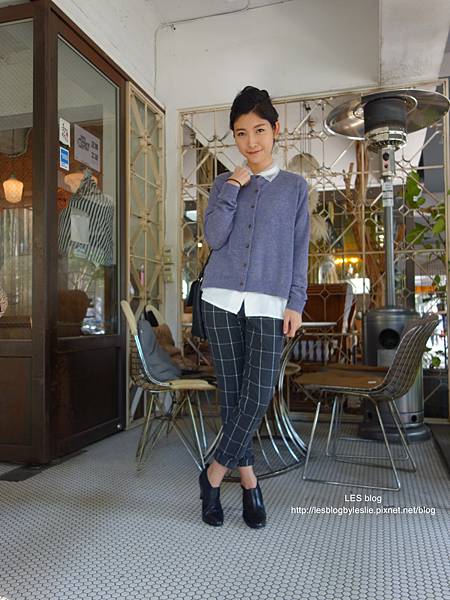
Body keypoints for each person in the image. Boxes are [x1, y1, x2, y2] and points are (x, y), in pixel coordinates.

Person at [199, 86, 310, 528]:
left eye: (259, 130)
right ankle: (249, 481)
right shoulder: (222, 184)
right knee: (232, 395)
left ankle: (213, 474)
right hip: (220, 299)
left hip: (269, 302)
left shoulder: (294, 188)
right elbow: (214, 237)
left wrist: (296, 302)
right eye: (241, 133)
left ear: (276, 130)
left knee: (259, 391)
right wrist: (232, 186)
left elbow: (300, 250)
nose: (251, 142)